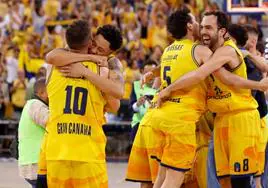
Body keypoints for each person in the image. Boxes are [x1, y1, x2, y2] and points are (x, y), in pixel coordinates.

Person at [156, 11, 268, 188]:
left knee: (241, 182)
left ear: (222, 31)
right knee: (224, 181)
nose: (203, 31)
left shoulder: (226, 51)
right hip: (221, 119)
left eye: (208, 27)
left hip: (241, 117)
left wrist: (168, 89)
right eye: (202, 27)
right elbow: (228, 75)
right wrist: (154, 72)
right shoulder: (208, 51)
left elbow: (212, 76)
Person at [45, 20, 109, 187]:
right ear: (89, 43)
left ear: (67, 41)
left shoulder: (53, 66)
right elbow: (115, 104)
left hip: (57, 151)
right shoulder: (100, 67)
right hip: (89, 152)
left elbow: (51, 56)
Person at [18, 78, 48, 188]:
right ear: (41, 93)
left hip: (33, 160)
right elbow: (51, 122)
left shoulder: (32, 104)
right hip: (35, 162)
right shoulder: (36, 105)